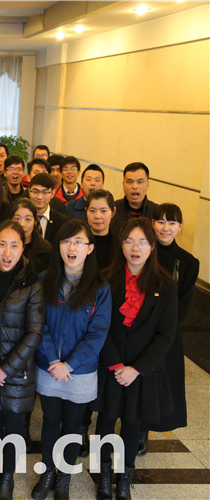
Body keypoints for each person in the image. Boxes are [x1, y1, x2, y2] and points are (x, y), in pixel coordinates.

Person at [95, 218, 177, 500]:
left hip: (142, 371)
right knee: (106, 421)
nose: (135, 248)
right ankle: (104, 476)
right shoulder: (106, 279)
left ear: (152, 247)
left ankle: (124, 478)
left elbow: (166, 334)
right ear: (121, 245)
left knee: (132, 423)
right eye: (129, 241)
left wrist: (137, 368)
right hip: (111, 366)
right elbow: (99, 326)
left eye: (142, 242)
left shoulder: (165, 284)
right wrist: (116, 365)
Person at [31, 220, 111, 500]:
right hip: (49, 367)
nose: (71, 247)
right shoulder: (45, 280)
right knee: (50, 422)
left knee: (74, 426)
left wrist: (70, 364)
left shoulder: (100, 287)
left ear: (90, 248)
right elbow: (39, 324)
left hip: (81, 372)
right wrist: (54, 360)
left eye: (78, 242)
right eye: (66, 241)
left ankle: (64, 477)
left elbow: (98, 334)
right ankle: (47, 472)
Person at [0, 221, 44, 500]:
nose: (7, 251)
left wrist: (5, 370)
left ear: (23, 248)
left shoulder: (32, 282)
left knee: (13, 429)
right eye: (2, 244)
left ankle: (7, 479)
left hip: (17, 373)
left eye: (14, 245)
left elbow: (34, 333)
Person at [144, 205, 200, 443]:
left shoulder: (187, 261)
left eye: (172, 223)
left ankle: (147, 429)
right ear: (152, 223)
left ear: (180, 227)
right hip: (139, 328)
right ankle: (135, 426)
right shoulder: (143, 251)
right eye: (160, 221)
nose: (165, 228)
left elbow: (184, 303)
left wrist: (163, 330)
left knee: (163, 381)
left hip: (167, 332)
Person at [110, 162, 157, 238]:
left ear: (147, 185)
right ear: (123, 184)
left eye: (139, 182)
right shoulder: (112, 210)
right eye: (130, 182)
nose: (134, 186)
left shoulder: (157, 212)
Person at [12, 198, 52, 273]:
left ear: (35, 222)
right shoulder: (2, 246)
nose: (22, 224)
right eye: (17, 219)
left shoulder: (45, 250)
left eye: (28, 219)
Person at [28, 173, 69, 244]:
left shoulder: (62, 222)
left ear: (52, 193)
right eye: (35, 191)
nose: (39, 197)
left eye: (45, 192)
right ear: (29, 191)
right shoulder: (21, 218)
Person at [85, 189, 118, 270]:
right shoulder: (79, 241)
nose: (97, 216)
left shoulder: (120, 243)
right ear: (86, 211)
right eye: (92, 211)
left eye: (103, 211)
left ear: (113, 212)